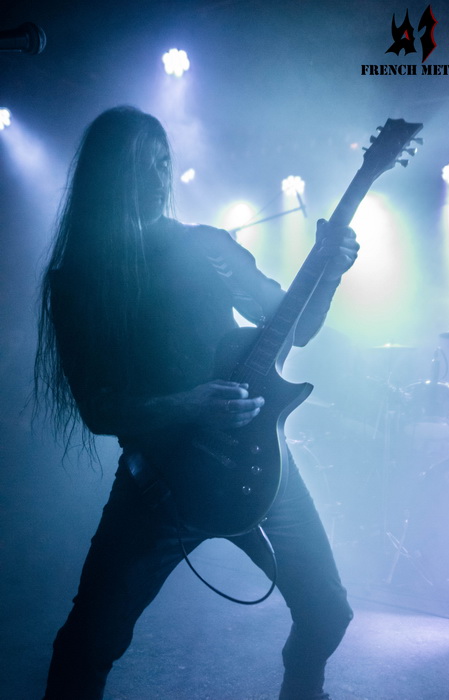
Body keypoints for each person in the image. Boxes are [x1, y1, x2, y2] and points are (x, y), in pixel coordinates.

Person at [35, 105, 359, 700]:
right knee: (89, 643)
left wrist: (330, 273)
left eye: (164, 162)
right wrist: (190, 405)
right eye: (140, 164)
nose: (157, 177)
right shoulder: (78, 279)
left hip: (261, 464)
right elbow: (98, 410)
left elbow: (293, 326)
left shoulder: (207, 247)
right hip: (159, 482)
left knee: (328, 612)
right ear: (107, 175)